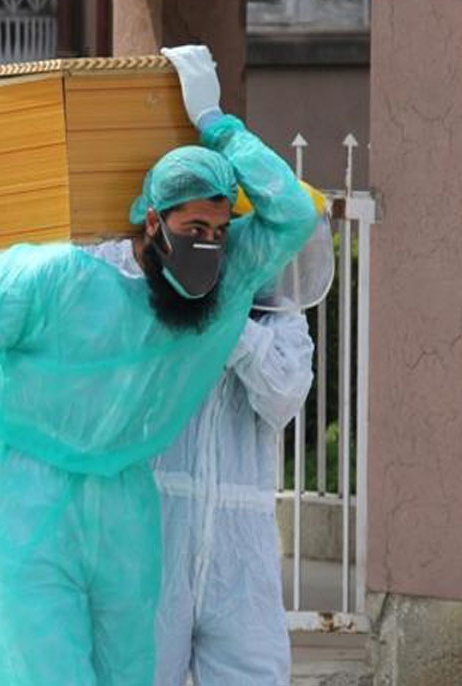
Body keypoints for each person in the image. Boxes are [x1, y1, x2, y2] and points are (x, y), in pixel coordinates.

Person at [0, 44, 319, 686]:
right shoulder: (53, 279)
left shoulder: (215, 297)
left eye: (217, 230)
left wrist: (217, 123)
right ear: (151, 222)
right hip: (25, 508)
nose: (208, 245)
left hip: (126, 517)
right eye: (192, 228)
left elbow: (292, 214)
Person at [152, 192, 330, 686]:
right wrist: (197, 301)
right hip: (157, 540)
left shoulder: (281, 320)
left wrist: (226, 318)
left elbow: (284, 394)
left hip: (241, 559)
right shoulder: (160, 301)